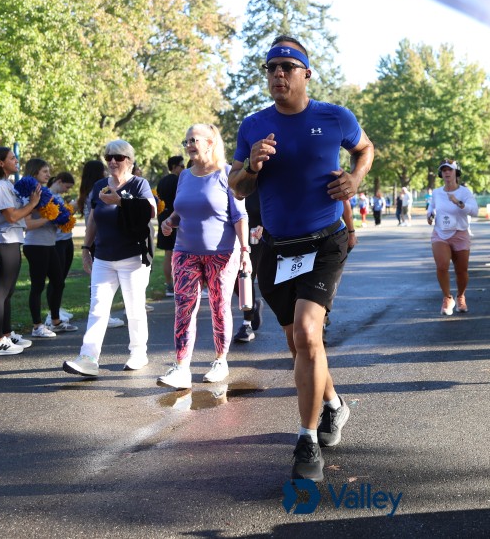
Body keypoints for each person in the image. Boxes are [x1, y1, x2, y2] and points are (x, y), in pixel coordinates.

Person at [229, 35, 374, 482]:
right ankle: (333, 404)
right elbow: (237, 186)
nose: (278, 73)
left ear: (306, 74)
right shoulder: (253, 126)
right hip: (277, 249)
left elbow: (365, 149)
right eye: (272, 67)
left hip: (325, 241)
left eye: (287, 67)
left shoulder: (335, 117)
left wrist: (355, 178)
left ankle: (307, 441)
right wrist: (251, 165)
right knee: (299, 345)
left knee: (310, 333)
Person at [156, 124, 250, 388]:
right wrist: (170, 221)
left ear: (210, 143)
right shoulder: (185, 176)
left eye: (193, 140)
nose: (188, 145)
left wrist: (245, 250)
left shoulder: (227, 174)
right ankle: (181, 367)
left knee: (219, 307)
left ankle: (220, 361)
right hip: (185, 252)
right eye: (186, 141)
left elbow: (239, 215)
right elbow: (182, 210)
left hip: (222, 254)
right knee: (183, 308)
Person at [64, 140, 156, 377]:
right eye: (108, 157)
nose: (113, 161)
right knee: (97, 309)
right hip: (103, 257)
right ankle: (88, 358)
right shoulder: (100, 186)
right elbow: (93, 218)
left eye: (118, 157)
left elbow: (151, 211)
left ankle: (138, 353)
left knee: (134, 308)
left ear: (130, 161)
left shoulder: (139, 184)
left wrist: (121, 201)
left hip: (132, 258)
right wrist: (86, 248)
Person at [0, 147, 41, 355]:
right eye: (12, 158)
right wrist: (33, 203)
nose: (16, 161)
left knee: (7, 293)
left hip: (12, 240)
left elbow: (18, 214)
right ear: (1, 163)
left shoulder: (7, 184)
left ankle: (5, 334)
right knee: (0, 293)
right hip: (4, 241)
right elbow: (12, 216)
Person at [21, 159, 76, 339]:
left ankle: (55, 321)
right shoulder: (29, 195)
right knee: (38, 286)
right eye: (44, 171)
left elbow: (56, 217)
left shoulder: (46, 193)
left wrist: (63, 218)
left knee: (58, 282)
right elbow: (27, 224)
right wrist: (50, 217)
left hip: (50, 244)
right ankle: (37, 326)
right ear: (34, 172)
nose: (48, 174)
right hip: (36, 245)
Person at [426, 160, 479, 315]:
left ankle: (460, 296)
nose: (447, 173)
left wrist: (459, 203)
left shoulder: (465, 192)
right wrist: (430, 215)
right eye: (444, 170)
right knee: (442, 266)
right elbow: (431, 207)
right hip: (440, 233)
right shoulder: (437, 193)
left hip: (460, 233)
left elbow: (475, 212)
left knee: (461, 271)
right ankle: (447, 298)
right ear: (441, 174)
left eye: (450, 170)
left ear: (456, 172)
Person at [77, 160, 125, 329]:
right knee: (102, 281)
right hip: (100, 237)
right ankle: (103, 315)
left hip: (93, 238)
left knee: (97, 279)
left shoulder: (86, 190)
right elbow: (96, 216)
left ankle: (101, 314)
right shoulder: (99, 190)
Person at [233, 189, 266, 343]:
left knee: (245, 276)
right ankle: (252, 306)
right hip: (230, 235)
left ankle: (247, 324)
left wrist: (264, 226)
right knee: (235, 282)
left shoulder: (260, 184)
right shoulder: (227, 183)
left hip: (254, 235)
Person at [44, 171, 77, 327]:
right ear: (59, 181)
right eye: (66, 187)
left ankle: (56, 309)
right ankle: (52, 314)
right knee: (56, 280)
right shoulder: (47, 196)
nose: (66, 191)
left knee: (61, 279)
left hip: (66, 239)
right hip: (56, 241)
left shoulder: (58, 197)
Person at [155, 155, 185, 297]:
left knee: (168, 253)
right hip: (175, 219)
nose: (183, 169)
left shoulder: (161, 181)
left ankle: (169, 285)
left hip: (163, 218)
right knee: (179, 253)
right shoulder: (178, 181)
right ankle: (179, 285)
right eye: (181, 166)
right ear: (174, 166)